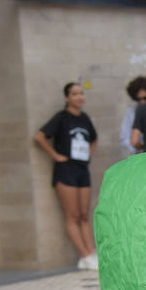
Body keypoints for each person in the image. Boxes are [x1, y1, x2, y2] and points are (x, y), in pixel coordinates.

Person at [33, 82, 98, 270]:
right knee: (72, 215)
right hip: (66, 170)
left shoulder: (85, 119)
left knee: (84, 214)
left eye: (81, 93)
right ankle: (84, 255)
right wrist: (55, 156)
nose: (79, 97)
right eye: (75, 94)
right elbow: (39, 136)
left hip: (82, 169)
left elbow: (94, 138)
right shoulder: (61, 118)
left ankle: (92, 252)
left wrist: (89, 154)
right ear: (67, 98)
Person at [118, 75, 146, 157]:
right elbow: (125, 137)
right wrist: (140, 149)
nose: (142, 102)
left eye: (145, 98)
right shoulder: (132, 111)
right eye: (138, 99)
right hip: (141, 155)